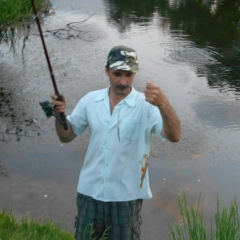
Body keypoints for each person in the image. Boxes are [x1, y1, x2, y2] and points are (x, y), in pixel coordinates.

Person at [50, 45, 181, 240]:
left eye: (128, 74)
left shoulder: (146, 105)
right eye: (117, 74)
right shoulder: (90, 100)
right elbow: (66, 136)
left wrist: (163, 104)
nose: (123, 81)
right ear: (107, 71)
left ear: (135, 73)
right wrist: (59, 115)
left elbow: (175, 135)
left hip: (126, 197)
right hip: (89, 192)